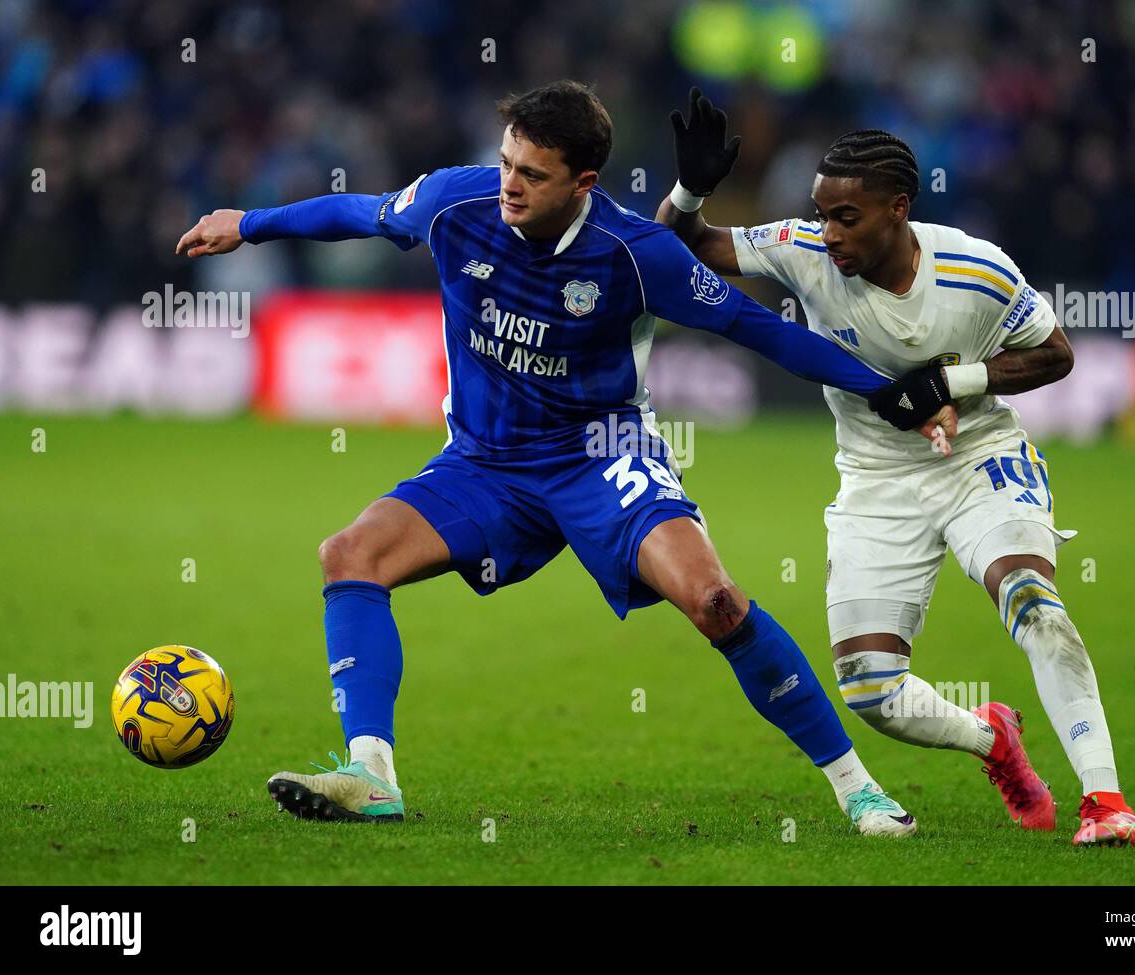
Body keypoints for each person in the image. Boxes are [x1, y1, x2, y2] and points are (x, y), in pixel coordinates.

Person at [176, 80, 955, 836]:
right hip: (484, 462)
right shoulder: (456, 201)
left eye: (532, 174)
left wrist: (891, 390)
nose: (510, 184)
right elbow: (362, 212)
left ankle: (861, 793)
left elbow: (762, 331)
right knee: (348, 555)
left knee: (716, 600)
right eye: (508, 161)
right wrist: (250, 223)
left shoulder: (635, 251)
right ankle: (371, 774)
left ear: (582, 183)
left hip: (601, 457)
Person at [656, 88, 1135, 847]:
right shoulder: (804, 249)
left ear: (898, 208)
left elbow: (1057, 353)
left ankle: (1106, 801)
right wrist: (691, 190)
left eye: (846, 216)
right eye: (821, 212)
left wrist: (957, 382)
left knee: (1035, 604)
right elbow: (678, 245)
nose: (828, 232)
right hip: (876, 477)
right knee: (870, 691)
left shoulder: (976, 269)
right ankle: (995, 741)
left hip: (980, 455)